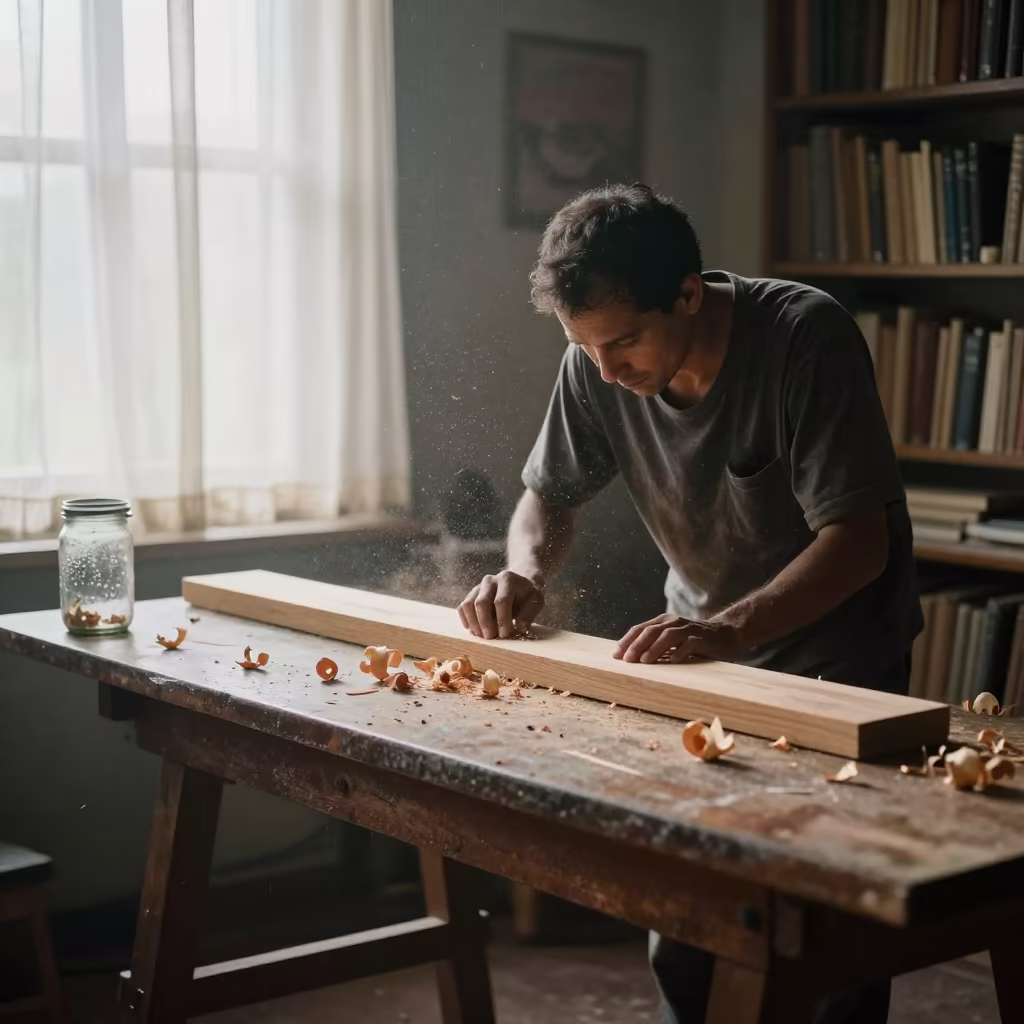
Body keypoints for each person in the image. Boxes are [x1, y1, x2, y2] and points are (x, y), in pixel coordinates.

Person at [457, 183, 922, 1023]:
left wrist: (724, 629)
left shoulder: (802, 336)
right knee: (687, 917)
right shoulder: (596, 364)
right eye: (584, 347)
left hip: (837, 660)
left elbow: (859, 542)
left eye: (625, 341)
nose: (606, 370)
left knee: (838, 926)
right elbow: (547, 499)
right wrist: (525, 570)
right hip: (703, 654)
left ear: (688, 293)